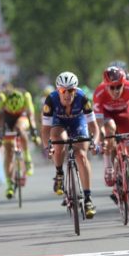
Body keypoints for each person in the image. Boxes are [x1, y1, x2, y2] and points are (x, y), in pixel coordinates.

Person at [41, 71, 100, 218]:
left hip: (78, 123)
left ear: (75, 89)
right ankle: (59, 173)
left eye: (71, 90)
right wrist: (47, 147)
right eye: (63, 91)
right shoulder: (51, 100)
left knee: (81, 155)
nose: (67, 94)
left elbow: (94, 126)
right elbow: (45, 130)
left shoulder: (83, 98)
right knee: (57, 140)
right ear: (58, 90)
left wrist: (95, 143)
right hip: (59, 123)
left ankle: (87, 198)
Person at [93, 66, 129, 212]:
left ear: (124, 83)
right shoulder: (99, 92)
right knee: (109, 129)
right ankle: (108, 165)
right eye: (112, 87)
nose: (116, 91)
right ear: (106, 85)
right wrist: (102, 139)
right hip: (107, 115)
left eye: (119, 87)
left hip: (124, 113)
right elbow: (98, 125)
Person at [0, 88, 39, 199]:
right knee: (8, 153)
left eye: (16, 110)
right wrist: (0, 137)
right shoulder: (3, 99)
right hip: (7, 120)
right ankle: (9, 183)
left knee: (20, 128)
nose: (14, 111)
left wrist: (34, 133)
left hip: (22, 117)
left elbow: (31, 117)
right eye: (12, 110)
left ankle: (27, 157)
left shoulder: (26, 97)